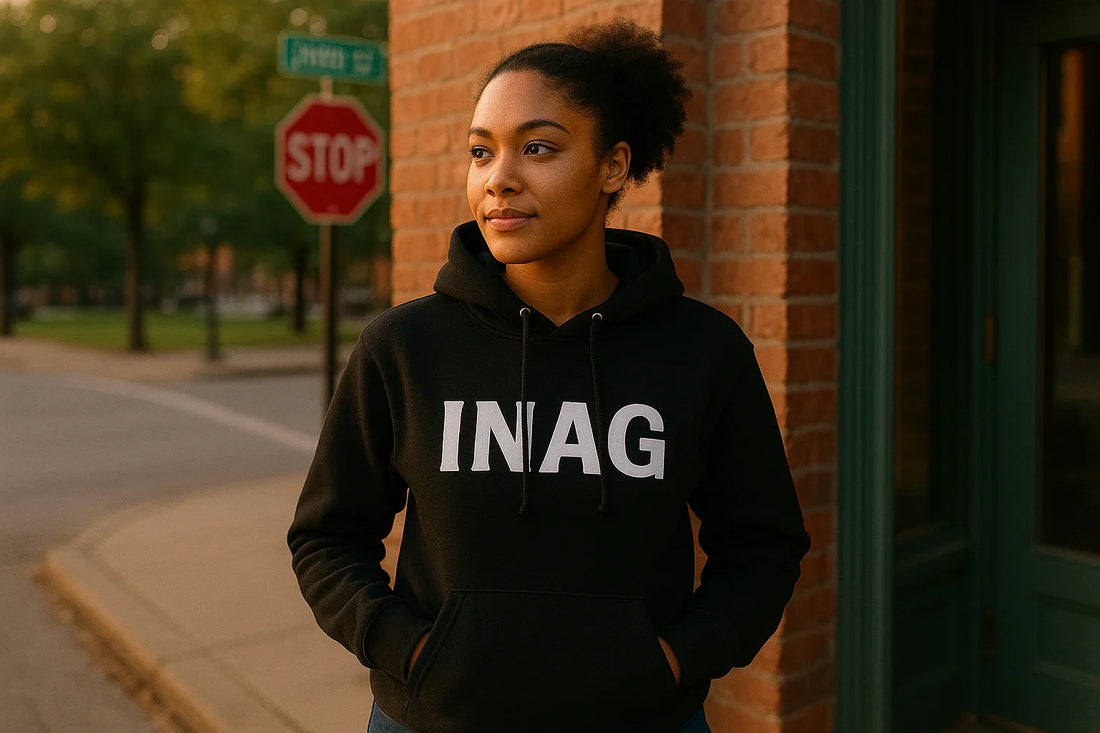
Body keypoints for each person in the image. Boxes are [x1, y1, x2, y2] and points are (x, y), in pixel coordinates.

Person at [288, 18, 810, 733]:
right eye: (481, 151)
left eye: (538, 147)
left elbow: (764, 544)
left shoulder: (703, 351)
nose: (499, 177)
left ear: (613, 166)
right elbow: (325, 535)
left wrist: (675, 660)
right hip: (432, 720)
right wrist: (410, 651)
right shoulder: (402, 348)